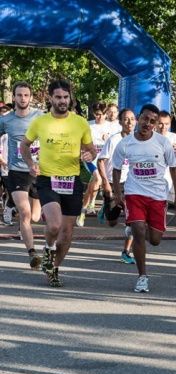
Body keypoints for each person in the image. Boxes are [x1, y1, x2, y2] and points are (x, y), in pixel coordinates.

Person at [20, 79, 97, 288]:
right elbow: (24, 145)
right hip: (47, 179)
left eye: (66, 97)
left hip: (72, 181)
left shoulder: (80, 122)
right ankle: (47, 247)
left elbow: (92, 149)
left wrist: (89, 155)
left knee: (68, 233)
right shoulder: (40, 122)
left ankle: (53, 268)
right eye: (58, 97)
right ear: (50, 98)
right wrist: (30, 163)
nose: (63, 101)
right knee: (54, 224)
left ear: (70, 98)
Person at [111, 104, 176, 293]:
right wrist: (118, 193)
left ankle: (132, 229)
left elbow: (174, 168)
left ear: (156, 124)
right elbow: (116, 168)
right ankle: (142, 276)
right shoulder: (125, 143)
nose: (147, 124)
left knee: (155, 239)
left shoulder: (163, 143)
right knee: (139, 232)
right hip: (134, 193)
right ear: (138, 118)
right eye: (144, 119)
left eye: (152, 121)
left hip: (158, 196)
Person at [0, 81, 43, 268]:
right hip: (16, 172)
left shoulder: (40, 117)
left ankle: (10, 207)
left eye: (26, 95)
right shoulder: (6, 120)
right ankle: (32, 253)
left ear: (31, 98)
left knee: (34, 217)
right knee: (25, 214)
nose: (23, 98)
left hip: (39, 171)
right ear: (14, 97)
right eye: (19, 95)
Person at [96, 108, 136, 264]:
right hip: (113, 182)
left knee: (133, 219)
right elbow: (101, 161)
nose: (129, 122)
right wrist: (105, 182)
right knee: (112, 222)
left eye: (132, 119)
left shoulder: (140, 140)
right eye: (126, 119)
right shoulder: (114, 140)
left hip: (132, 184)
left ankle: (126, 252)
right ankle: (106, 209)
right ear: (120, 122)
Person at [77, 101, 111, 227]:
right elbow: (81, 141)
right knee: (97, 177)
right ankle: (91, 203)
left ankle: (83, 210)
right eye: (97, 114)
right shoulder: (88, 125)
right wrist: (83, 151)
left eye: (102, 114)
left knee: (95, 181)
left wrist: (109, 139)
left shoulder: (112, 126)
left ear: (106, 114)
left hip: (104, 159)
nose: (99, 117)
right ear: (93, 114)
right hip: (91, 157)